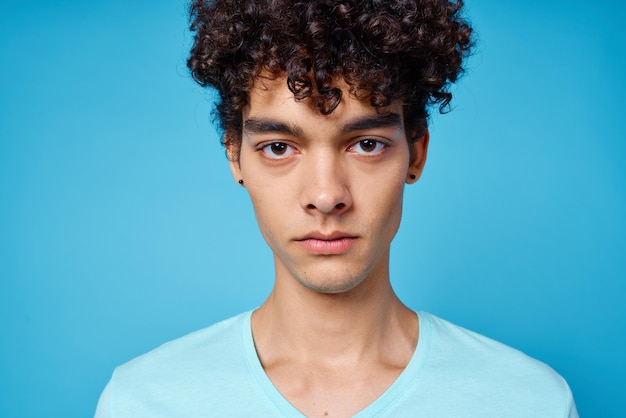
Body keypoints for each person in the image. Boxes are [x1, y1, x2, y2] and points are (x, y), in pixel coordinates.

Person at [95, 0, 578, 416]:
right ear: (234, 156)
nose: (326, 196)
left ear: (417, 152)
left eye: (366, 144)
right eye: (279, 147)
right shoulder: (143, 402)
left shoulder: (528, 402)